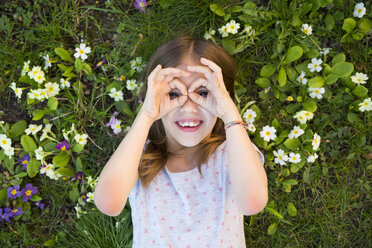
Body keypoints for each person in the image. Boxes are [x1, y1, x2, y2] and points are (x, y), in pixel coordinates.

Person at [94, 36, 268, 247]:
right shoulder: (139, 155)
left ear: (224, 97)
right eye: (173, 94)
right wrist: (147, 114)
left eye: (203, 92)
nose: (188, 107)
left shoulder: (233, 153)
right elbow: (107, 204)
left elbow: (254, 203)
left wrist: (230, 115)